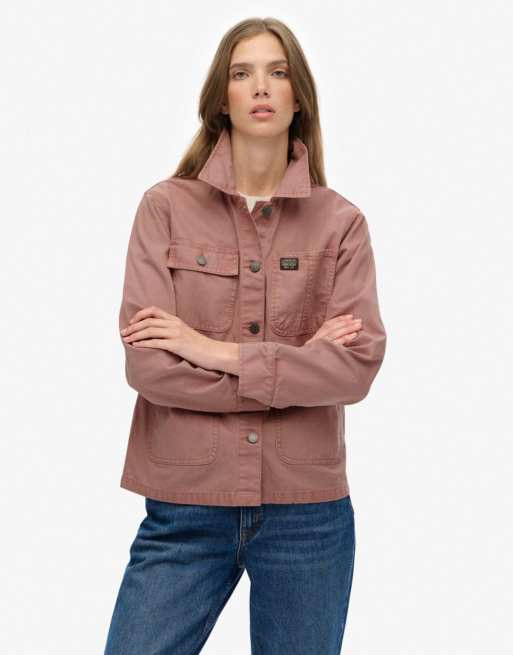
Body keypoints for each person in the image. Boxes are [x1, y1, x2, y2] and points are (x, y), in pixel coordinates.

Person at [104, 16, 387, 655]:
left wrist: (209, 350)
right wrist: (297, 369)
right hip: (184, 507)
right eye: (242, 73)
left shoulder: (341, 224)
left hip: (308, 515)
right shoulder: (164, 208)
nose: (261, 86)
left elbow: (355, 369)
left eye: (277, 72)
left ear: (297, 96)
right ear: (221, 98)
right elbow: (149, 369)